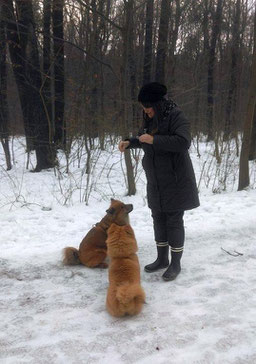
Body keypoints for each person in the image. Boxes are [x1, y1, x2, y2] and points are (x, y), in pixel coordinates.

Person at [119, 82, 200, 281]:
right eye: (143, 109)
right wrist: (131, 142)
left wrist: (154, 140)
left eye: (147, 108)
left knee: (173, 219)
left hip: (175, 178)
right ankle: (162, 258)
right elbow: (144, 138)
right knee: (158, 217)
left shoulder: (176, 116)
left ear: (158, 104)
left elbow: (183, 142)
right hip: (155, 178)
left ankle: (175, 263)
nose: (145, 112)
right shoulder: (151, 118)